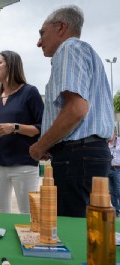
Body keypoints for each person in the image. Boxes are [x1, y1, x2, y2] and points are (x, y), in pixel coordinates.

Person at [29, 5, 114, 217]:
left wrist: (40, 146)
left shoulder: (68, 49)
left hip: (77, 156)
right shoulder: (86, 53)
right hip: (87, 153)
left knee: (72, 230)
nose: (39, 42)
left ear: (61, 28)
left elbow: (76, 109)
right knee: (88, 227)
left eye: (42, 33)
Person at [0, 50, 44, 214]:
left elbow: (42, 128)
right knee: (1, 214)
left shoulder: (30, 92)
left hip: (24, 164)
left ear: (12, 65)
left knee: (28, 214)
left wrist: (14, 127)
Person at [109, 127, 120, 216]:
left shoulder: (119, 141)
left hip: (117, 169)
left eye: (112, 132)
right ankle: (116, 210)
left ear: (115, 133)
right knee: (111, 191)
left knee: (118, 190)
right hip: (108, 168)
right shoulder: (106, 142)